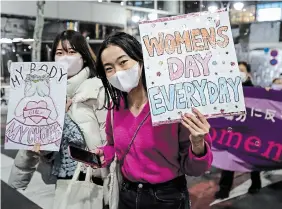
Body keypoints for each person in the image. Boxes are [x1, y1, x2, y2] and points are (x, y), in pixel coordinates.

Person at [94, 32, 213, 209]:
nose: (117, 72)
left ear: (140, 60)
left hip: (167, 197)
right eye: (109, 68)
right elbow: (113, 145)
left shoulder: (173, 105)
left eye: (123, 62)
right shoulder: (115, 107)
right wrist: (105, 153)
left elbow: (196, 169)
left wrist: (198, 143)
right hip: (127, 194)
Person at [8, 30, 108, 196]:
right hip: (63, 181)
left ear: (83, 56)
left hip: (94, 183)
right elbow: (46, 149)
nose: (65, 57)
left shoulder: (98, 88)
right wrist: (42, 148)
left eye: (71, 52)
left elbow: (109, 138)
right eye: (60, 52)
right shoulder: (42, 92)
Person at [215, 61, 262, 199]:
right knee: (228, 160)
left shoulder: (256, 92)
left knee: (252, 160)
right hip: (233, 131)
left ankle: (256, 183)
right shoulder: (229, 91)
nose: (239, 73)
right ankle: (224, 189)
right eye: (237, 70)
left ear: (248, 74)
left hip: (250, 132)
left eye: (242, 70)